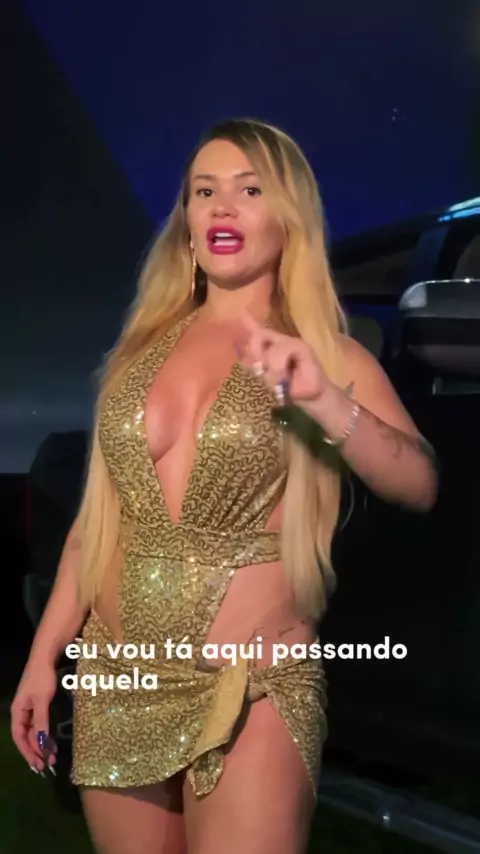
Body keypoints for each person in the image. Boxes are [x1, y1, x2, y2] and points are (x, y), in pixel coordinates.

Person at [11, 118, 439, 854]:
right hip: (119, 677)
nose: (222, 207)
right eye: (204, 192)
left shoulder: (324, 354)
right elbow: (97, 525)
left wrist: (323, 399)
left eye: (250, 190)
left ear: (289, 214)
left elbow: (419, 483)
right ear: (185, 219)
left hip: (253, 685)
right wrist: (43, 656)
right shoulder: (137, 351)